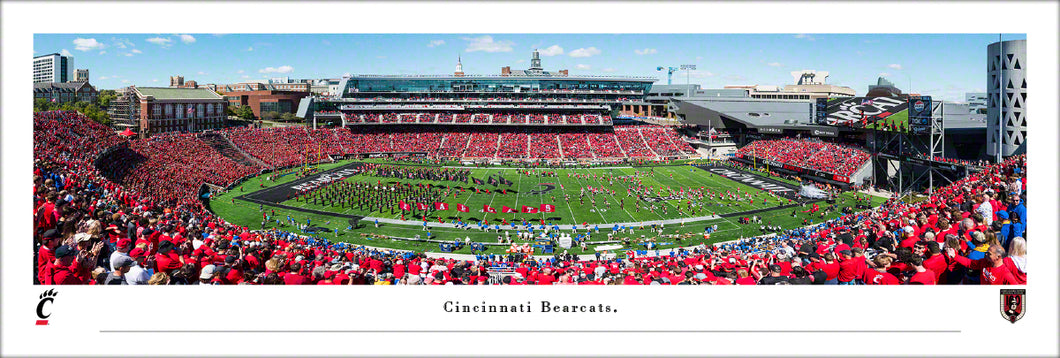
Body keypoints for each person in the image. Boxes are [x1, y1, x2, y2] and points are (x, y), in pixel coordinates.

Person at [946, 245, 1018, 285]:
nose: (985, 254)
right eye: (986, 252)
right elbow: (970, 263)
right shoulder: (984, 262)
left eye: (989, 254)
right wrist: (955, 256)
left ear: (998, 257)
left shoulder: (1006, 274)